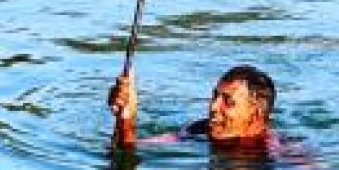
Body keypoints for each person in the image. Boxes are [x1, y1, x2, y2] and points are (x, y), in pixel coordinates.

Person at [108, 64, 276, 150]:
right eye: (214, 96)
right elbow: (130, 147)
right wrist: (125, 118)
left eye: (228, 101)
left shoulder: (273, 150)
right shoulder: (197, 131)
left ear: (256, 114)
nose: (213, 106)